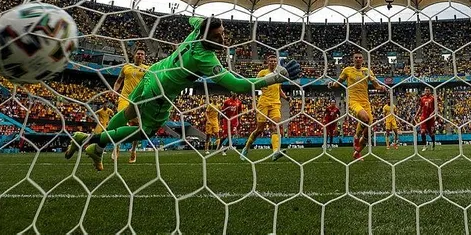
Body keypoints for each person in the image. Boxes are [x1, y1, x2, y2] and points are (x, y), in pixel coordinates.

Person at [65, 17, 301, 171]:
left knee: (128, 112)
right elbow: (238, 85)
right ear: (206, 37)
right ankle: (90, 141)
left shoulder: (198, 30)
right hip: (160, 92)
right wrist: (276, 77)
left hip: (152, 73)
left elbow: (193, 19)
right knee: (146, 130)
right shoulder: (205, 58)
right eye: (217, 36)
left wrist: (199, 21)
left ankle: (96, 148)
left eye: (223, 33)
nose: (223, 38)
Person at [328, 51, 385, 160]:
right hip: (353, 101)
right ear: (353, 59)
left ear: (362, 60)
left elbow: (376, 85)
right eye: (356, 57)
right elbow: (337, 83)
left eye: (360, 57)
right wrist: (331, 85)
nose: (358, 59)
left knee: (368, 132)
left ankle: (357, 152)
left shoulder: (367, 71)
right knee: (365, 118)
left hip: (365, 102)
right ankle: (357, 137)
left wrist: (381, 87)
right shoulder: (347, 70)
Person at [241, 55, 289, 161]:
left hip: (275, 103)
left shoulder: (279, 74)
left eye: (274, 61)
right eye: (271, 61)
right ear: (267, 62)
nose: (273, 62)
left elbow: (279, 89)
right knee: (259, 129)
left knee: (275, 126)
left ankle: (275, 152)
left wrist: (286, 97)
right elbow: (255, 85)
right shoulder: (262, 73)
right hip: (263, 103)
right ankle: (246, 148)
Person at [111, 47, 149, 163]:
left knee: (137, 126)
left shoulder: (148, 69)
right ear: (134, 55)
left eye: (142, 54)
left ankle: (133, 150)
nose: (140, 55)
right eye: (138, 53)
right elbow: (118, 81)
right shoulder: (126, 67)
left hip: (138, 99)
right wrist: (114, 90)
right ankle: (116, 147)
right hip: (124, 98)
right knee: (120, 121)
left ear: (144, 57)